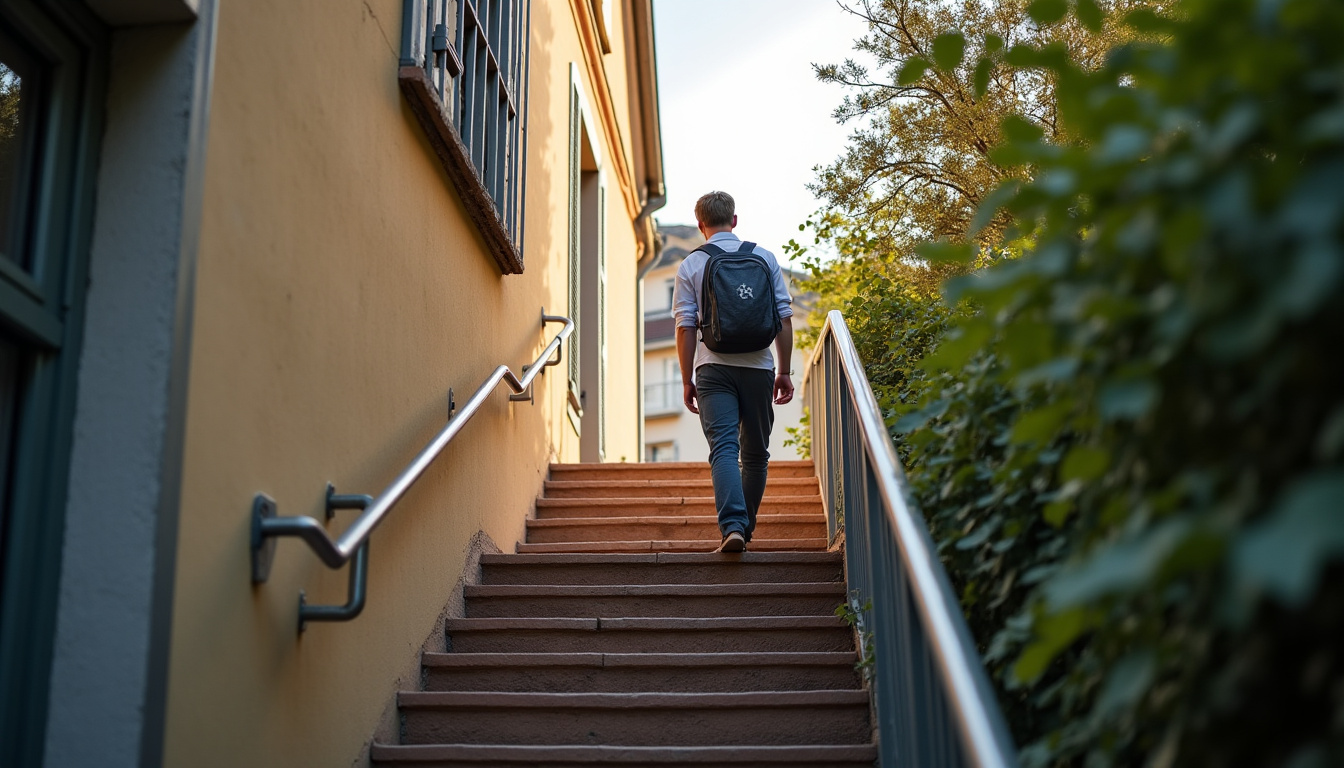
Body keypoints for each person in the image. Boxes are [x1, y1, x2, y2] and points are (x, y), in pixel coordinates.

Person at [673, 191, 794, 553]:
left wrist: (686, 378)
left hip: (713, 369)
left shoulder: (691, 264)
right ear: (735, 221)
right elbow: (784, 318)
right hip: (759, 367)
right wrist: (783, 371)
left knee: (724, 449)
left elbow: (685, 327)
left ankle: (732, 528)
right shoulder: (764, 256)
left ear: (701, 225)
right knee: (755, 454)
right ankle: (744, 529)